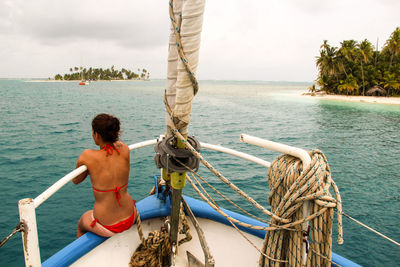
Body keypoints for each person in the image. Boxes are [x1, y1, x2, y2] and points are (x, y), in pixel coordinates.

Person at [73, 113, 136, 238]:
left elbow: (76, 180)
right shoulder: (124, 149)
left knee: (81, 223)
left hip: (107, 224)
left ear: (96, 134)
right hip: (130, 216)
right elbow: (115, 145)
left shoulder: (88, 156)